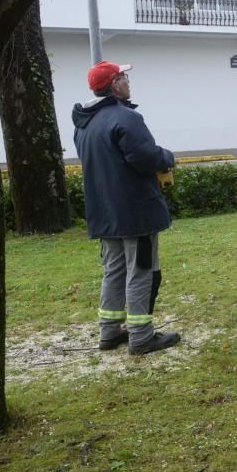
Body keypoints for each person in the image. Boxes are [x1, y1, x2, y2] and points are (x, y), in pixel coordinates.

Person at [72, 60, 181, 355]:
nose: (128, 82)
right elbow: (145, 157)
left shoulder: (85, 123)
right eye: (123, 77)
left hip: (104, 213)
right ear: (114, 85)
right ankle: (141, 336)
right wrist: (168, 157)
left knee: (114, 271)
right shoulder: (125, 118)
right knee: (141, 271)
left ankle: (109, 333)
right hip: (135, 212)